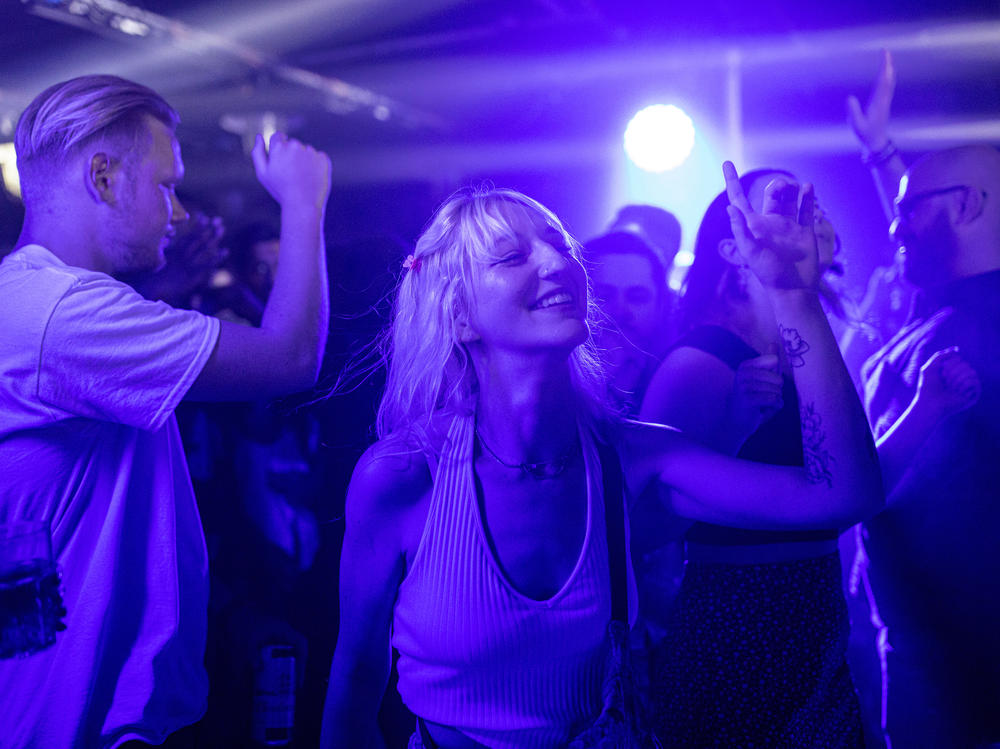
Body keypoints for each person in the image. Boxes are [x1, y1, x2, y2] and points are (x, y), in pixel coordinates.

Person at [321, 165, 882, 748]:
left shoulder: (635, 456)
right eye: (513, 256)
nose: (556, 263)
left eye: (559, 246)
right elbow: (358, 676)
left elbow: (846, 493)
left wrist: (793, 294)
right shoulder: (407, 475)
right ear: (460, 316)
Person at [0, 74, 331, 748]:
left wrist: (164, 290)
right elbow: (291, 355)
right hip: (83, 727)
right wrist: (304, 202)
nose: (178, 211)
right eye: (166, 185)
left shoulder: (32, 298)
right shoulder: (68, 315)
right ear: (103, 177)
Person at [640, 168, 868, 748]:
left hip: (813, 610)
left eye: (803, 199)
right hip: (740, 616)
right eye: (778, 202)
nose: (802, 212)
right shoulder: (698, 362)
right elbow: (643, 525)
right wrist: (735, 428)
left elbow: (860, 483)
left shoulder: (803, 350)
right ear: (731, 247)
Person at [856, 144, 1000, 748]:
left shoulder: (973, 329)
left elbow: (867, 485)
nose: (894, 225)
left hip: (962, 667)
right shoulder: (937, 318)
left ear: (967, 204)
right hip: (935, 652)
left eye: (909, 208)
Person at [585, 230, 674, 415]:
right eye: (603, 296)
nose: (620, 311)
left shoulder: (680, 378)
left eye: (637, 297)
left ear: (661, 305)